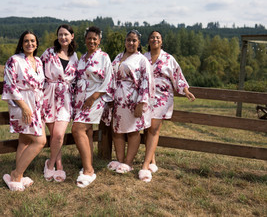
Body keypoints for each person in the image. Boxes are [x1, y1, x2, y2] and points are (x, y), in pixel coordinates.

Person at [140, 30, 195, 182]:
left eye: (157, 37)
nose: (154, 39)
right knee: (147, 129)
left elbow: (177, 75)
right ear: (148, 41)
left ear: (161, 41)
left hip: (162, 98)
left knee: (153, 129)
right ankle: (152, 161)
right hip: (145, 97)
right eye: (152, 37)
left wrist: (185, 90)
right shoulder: (142, 57)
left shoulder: (168, 58)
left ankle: (145, 166)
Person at [2, 30, 46, 191]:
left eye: (33, 41)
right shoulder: (14, 60)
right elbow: (9, 85)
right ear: (21, 43)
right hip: (22, 105)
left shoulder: (39, 61)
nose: (30, 44)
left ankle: (19, 176)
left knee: (25, 140)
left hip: (37, 105)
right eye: (26, 41)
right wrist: (25, 107)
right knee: (40, 141)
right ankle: (16, 174)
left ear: (36, 43)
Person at [71, 26, 113, 188]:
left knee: (77, 129)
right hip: (81, 98)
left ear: (99, 40)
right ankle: (87, 164)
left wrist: (94, 97)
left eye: (95, 38)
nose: (92, 41)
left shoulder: (103, 57)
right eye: (89, 38)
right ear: (85, 39)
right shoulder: (82, 58)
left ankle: (89, 171)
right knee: (87, 131)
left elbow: (108, 80)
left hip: (95, 98)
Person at [107, 30, 153, 176]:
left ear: (139, 43)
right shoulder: (119, 56)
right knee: (117, 130)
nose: (131, 43)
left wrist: (141, 103)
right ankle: (120, 161)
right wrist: (109, 98)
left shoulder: (142, 60)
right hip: (117, 99)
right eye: (128, 40)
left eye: (134, 40)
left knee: (133, 131)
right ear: (125, 41)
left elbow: (147, 81)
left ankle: (129, 162)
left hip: (132, 99)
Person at [41, 24, 78, 182]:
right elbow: (38, 73)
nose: (63, 37)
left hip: (65, 99)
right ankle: (59, 166)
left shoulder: (75, 56)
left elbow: (77, 80)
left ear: (72, 36)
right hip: (48, 96)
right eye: (60, 34)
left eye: (66, 34)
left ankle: (50, 164)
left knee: (58, 135)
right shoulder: (49, 53)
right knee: (54, 136)